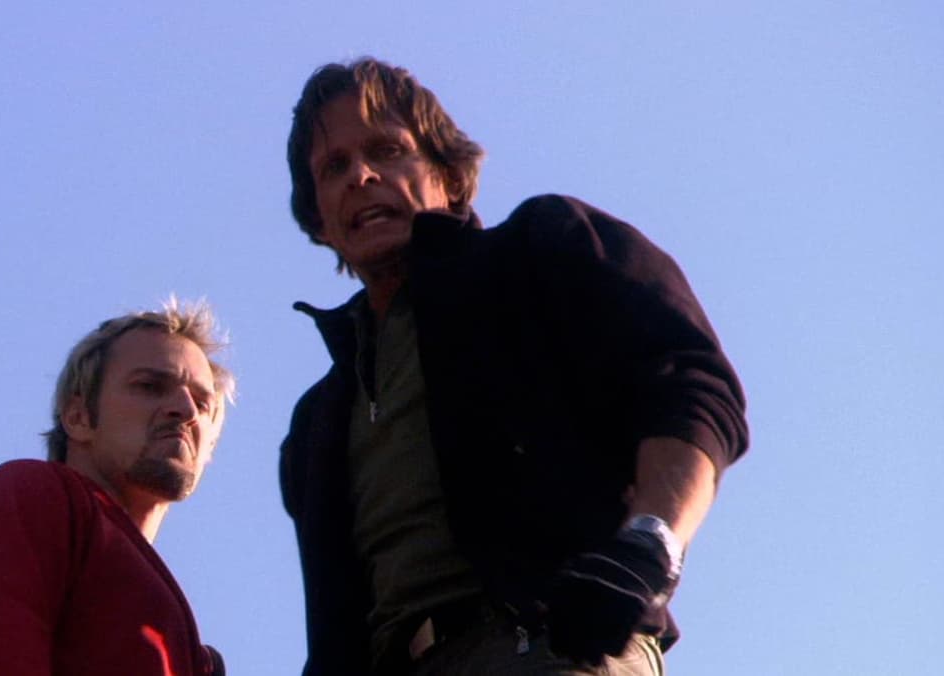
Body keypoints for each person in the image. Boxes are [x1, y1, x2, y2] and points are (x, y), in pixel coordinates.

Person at [277, 57, 749, 675]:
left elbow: (690, 387)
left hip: (551, 645)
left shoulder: (539, 249)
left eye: (386, 150)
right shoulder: (317, 421)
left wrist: (649, 545)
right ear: (318, 218)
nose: (361, 176)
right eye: (333, 167)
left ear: (448, 174)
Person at [0, 299, 234, 676]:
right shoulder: (31, 496)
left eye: (202, 404)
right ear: (78, 417)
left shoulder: (180, 640)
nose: (185, 411)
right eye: (149, 386)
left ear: (211, 446)